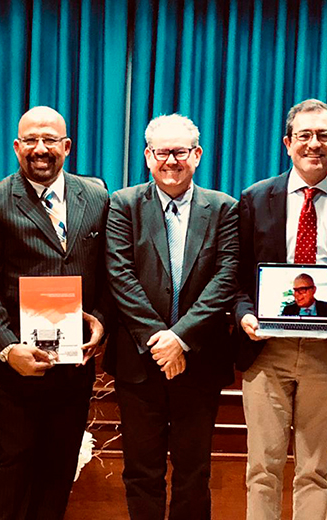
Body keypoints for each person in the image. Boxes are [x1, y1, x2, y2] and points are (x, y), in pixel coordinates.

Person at [234, 99, 327, 519]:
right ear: (287, 143)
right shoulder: (255, 198)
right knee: (262, 468)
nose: (313, 144)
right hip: (266, 349)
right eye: (304, 135)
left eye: (323, 136)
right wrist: (245, 313)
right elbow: (237, 274)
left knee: (314, 470)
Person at [0, 106, 109, 520]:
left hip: (74, 368)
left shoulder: (96, 196)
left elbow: (108, 274)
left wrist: (100, 321)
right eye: (30, 140)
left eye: (49, 140)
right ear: (16, 147)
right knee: (7, 469)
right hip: (17, 370)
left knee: (58, 468)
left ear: (67, 146)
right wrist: (9, 350)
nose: (40, 149)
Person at [104, 114, 239, 520]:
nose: (171, 160)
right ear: (148, 156)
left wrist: (179, 338)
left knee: (193, 472)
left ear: (197, 155)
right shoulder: (123, 205)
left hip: (199, 361)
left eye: (181, 151)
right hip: (139, 363)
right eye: (162, 151)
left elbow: (226, 278)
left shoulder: (224, 208)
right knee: (141, 471)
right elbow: (119, 275)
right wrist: (160, 340)